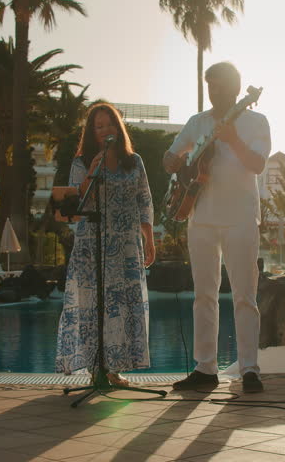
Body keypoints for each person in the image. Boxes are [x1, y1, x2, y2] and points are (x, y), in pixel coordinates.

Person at [164, 62, 271, 393]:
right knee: (204, 295)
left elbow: (257, 164)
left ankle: (249, 369)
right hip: (201, 218)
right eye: (209, 85)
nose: (214, 91)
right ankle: (205, 368)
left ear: (237, 88)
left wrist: (234, 139)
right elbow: (169, 158)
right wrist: (177, 163)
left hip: (241, 218)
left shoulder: (255, 121)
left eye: (220, 85)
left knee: (244, 296)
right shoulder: (197, 122)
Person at [55, 102, 156, 386]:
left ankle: (115, 369)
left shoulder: (133, 161)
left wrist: (149, 239)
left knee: (122, 306)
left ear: (118, 127)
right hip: (92, 246)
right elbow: (77, 202)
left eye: (109, 124)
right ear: (92, 133)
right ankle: (94, 370)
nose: (104, 130)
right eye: (98, 127)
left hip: (125, 246)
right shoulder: (82, 162)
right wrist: (92, 171)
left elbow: (144, 201)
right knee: (93, 306)